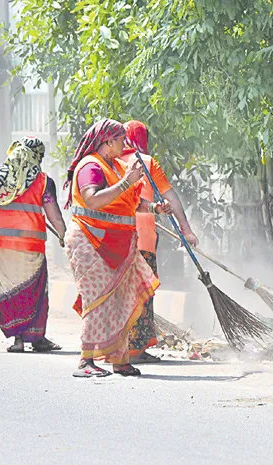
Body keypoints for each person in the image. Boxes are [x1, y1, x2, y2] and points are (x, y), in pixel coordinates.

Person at [63, 118, 172, 378]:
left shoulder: (117, 166)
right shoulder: (90, 166)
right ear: (108, 141)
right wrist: (126, 181)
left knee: (123, 299)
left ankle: (120, 360)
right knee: (98, 301)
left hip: (119, 245)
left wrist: (155, 208)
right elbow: (92, 199)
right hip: (92, 242)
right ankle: (86, 361)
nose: (125, 144)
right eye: (121, 140)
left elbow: (129, 202)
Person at [0, 136, 65, 353]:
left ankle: (18, 340)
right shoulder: (43, 181)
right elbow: (55, 217)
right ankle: (37, 338)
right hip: (29, 247)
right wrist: (62, 235)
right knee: (34, 290)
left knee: (6, 290)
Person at [119, 120, 198, 364]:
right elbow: (170, 196)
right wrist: (186, 229)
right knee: (142, 294)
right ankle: (135, 350)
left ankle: (116, 347)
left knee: (120, 294)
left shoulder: (108, 162)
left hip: (115, 241)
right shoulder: (147, 162)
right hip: (143, 241)